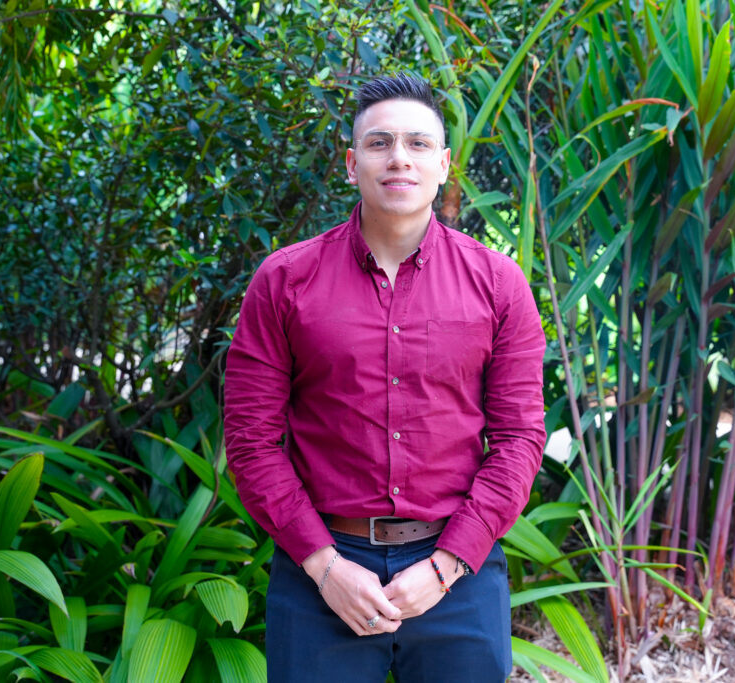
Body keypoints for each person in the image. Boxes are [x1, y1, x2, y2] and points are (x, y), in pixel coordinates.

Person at [223, 72, 546, 682]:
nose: (399, 158)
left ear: (444, 164)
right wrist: (325, 568)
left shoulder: (499, 284)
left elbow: (520, 439)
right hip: (322, 575)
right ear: (352, 164)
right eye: (379, 143)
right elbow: (250, 440)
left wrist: (446, 566)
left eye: (418, 143)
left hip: (457, 575)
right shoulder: (284, 281)